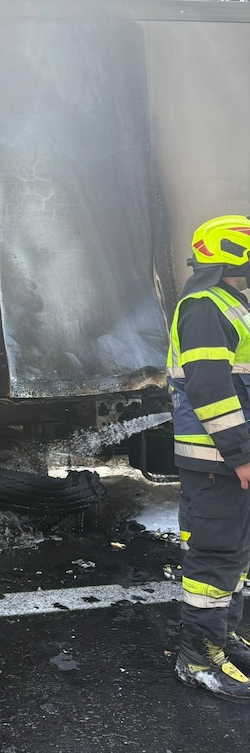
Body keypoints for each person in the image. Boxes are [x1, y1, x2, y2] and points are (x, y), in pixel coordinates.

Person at [167, 215, 250, 701]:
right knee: (215, 557)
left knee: (236, 556)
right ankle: (197, 657)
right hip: (217, 461)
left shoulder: (234, 304)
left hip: (232, 459)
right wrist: (241, 456)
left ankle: (222, 640)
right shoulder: (203, 306)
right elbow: (210, 389)